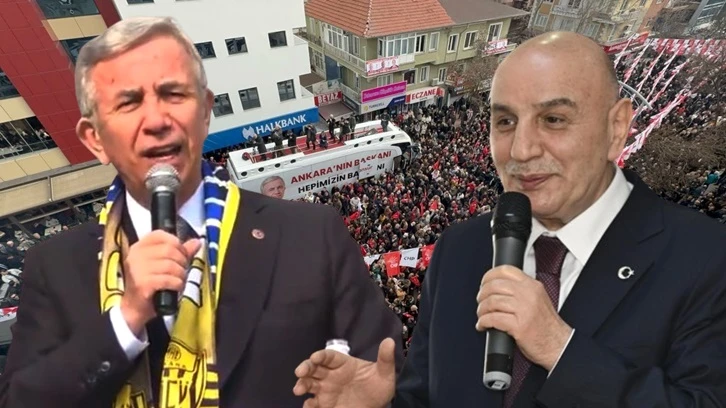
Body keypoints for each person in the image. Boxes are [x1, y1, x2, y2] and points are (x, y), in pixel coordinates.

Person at [293, 32, 726, 407]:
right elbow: (426, 396)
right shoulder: (460, 248)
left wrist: (561, 350)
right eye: (505, 121)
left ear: (617, 128)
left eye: (553, 119)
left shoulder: (705, 259)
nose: (520, 150)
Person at [0, 17, 402, 408]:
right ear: (95, 140)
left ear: (205, 112)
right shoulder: (54, 267)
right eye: (128, 103)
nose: (157, 120)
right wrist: (125, 319)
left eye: (174, 94)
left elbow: (380, 371)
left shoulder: (311, 233)